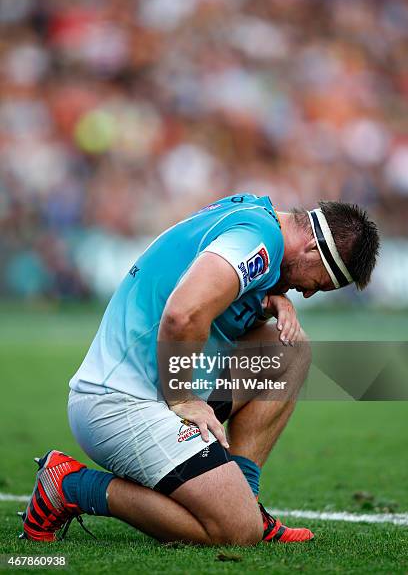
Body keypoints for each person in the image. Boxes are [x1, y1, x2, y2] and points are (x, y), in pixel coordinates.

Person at [20, 193, 379, 545]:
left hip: (147, 389)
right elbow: (183, 314)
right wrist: (183, 397)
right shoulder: (259, 240)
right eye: (319, 283)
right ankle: (70, 487)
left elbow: (207, 294)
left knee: (290, 352)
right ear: (314, 248)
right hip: (119, 404)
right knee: (239, 532)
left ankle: (245, 499)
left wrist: (270, 300)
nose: (310, 293)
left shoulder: (257, 214)